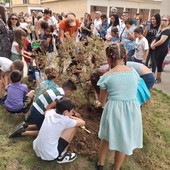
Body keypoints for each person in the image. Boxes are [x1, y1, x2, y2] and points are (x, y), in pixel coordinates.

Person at [96, 43, 143, 170]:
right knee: (124, 139)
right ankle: (116, 168)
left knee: (106, 137)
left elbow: (102, 101)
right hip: (132, 110)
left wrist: (97, 102)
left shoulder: (107, 76)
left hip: (114, 110)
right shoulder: (134, 73)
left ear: (109, 58)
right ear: (124, 56)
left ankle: (100, 164)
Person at [9, 80, 77, 137]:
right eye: (72, 92)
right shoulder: (60, 96)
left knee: (44, 124)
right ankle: (22, 133)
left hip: (35, 108)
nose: (71, 94)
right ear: (68, 91)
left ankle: (25, 126)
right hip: (38, 113)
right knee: (48, 132)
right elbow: (48, 108)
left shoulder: (57, 89)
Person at [33, 97, 85, 162]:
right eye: (72, 111)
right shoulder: (65, 120)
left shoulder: (50, 113)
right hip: (50, 156)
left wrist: (66, 114)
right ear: (66, 112)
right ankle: (62, 156)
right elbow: (83, 122)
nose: (72, 113)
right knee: (73, 128)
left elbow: (47, 111)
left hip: (37, 149)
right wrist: (71, 117)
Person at [151, 15, 170, 83]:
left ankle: (158, 78)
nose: (163, 22)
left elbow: (162, 41)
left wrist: (154, 45)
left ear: (168, 22)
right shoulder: (161, 29)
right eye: (163, 20)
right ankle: (157, 77)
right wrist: (152, 44)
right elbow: (156, 38)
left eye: (165, 20)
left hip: (162, 50)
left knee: (159, 64)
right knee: (156, 63)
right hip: (157, 49)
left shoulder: (167, 30)